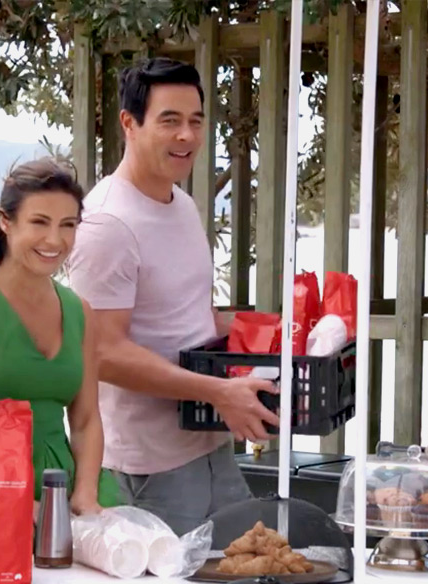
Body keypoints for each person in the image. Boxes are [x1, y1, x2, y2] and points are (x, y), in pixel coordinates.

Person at [66, 58, 277, 535]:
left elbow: (191, 316)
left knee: (248, 572)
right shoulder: (107, 224)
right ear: (129, 123)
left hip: (211, 443)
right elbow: (102, 352)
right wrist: (217, 391)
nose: (187, 136)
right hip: (148, 466)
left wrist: (278, 332)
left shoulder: (182, 204)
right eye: (170, 121)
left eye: (196, 121)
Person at [0, 159, 118, 515]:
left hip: (68, 493)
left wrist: (85, 495)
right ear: (6, 222)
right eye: (39, 222)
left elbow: (85, 420)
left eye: (68, 225)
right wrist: (12, 502)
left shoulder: (80, 311)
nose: (55, 240)